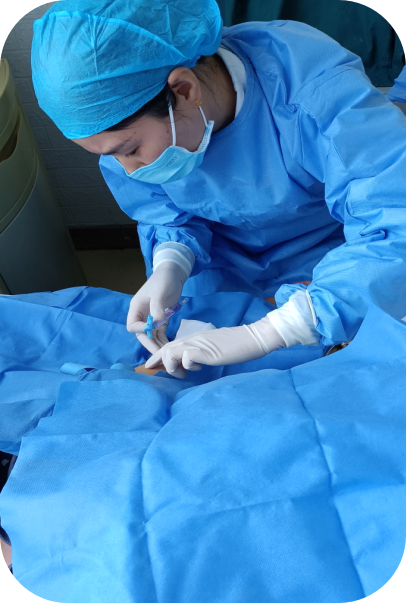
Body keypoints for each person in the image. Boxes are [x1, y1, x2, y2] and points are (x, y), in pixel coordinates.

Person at [31, 0, 406, 378]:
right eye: (110, 155)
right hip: (220, 267)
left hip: (338, 263)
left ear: (184, 89)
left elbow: (395, 222)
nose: (129, 170)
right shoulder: (131, 134)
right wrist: (172, 261)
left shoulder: (313, 91)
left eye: (129, 150)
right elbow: (161, 212)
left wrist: (284, 326)